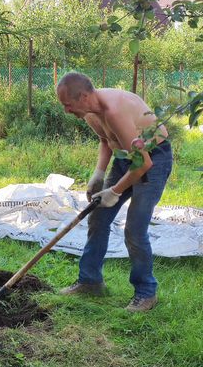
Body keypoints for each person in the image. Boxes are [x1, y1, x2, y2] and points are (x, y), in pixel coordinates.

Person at [56, 72, 173, 312]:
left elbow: (144, 164)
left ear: (85, 96)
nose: (66, 110)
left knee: (135, 228)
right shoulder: (90, 113)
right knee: (98, 217)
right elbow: (105, 140)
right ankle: (90, 281)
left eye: (68, 105)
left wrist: (115, 191)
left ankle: (146, 293)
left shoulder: (115, 112)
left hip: (154, 159)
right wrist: (98, 175)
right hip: (125, 159)